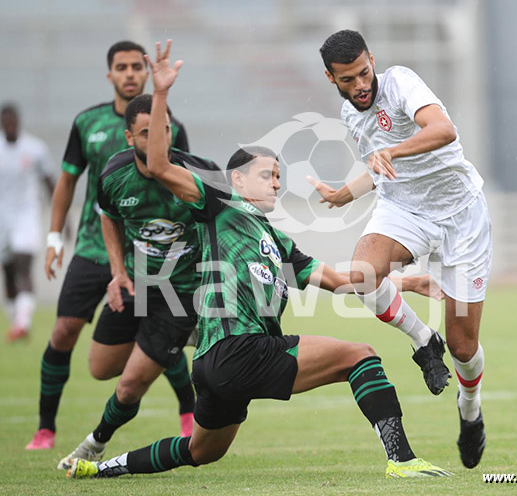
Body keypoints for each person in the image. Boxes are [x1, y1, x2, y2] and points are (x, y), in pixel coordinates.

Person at [66, 40, 451, 481]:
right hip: (238, 349)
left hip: (214, 365)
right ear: (236, 179)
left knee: (202, 450)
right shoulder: (217, 202)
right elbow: (156, 164)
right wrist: (162, 93)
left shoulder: (277, 241)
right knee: (360, 356)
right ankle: (402, 461)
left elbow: (342, 281)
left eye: (280, 177)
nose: (276, 183)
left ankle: (99, 470)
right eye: (268, 174)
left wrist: (406, 282)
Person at [314, 29, 490, 469]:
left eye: (363, 73)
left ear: (372, 60)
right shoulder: (349, 113)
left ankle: (470, 412)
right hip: (406, 210)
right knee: (362, 275)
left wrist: (391, 149)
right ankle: (421, 340)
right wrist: (345, 195)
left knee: (464, 347)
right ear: (330, 78)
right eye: (348, 80)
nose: (360, 85)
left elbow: (444, 130)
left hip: (461, 216)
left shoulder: (400, 83)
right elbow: (381, 168)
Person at [26, 41, 193, 451]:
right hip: (92, 245)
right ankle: (46, 428)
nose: (131, 73)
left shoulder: (168, 123)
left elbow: (180, 182)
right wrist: (53, 237)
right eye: (122, 67)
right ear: (110, 75)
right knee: (64, 330)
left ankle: (187, 410)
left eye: (138, 66)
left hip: (149, 253)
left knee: (158, 330)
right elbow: (67, 181)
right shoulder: (88, 123)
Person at [56, 93, 227, 469]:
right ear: (129, 137)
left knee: (130, 385)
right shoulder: (114, 176)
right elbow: (108, 216)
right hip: (138, 284)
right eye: (146, 133)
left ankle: (94, 443)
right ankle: (167, 343)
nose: (156, 141)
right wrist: (117, 272)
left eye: (163, 132)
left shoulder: (202, 174)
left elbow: (228, 228)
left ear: (173, 133)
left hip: (181, 294)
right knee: (100, 368)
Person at [0, 104, 55, 341]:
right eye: (5, 121)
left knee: (24, 266)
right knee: (9, 272)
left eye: (13, 120)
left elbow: (50, 181)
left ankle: (23, 323)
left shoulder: (35, 148)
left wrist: (60, 217)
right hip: (2, 217)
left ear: (19, 121)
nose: (9, 124)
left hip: (26, 216)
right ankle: (17, 321)